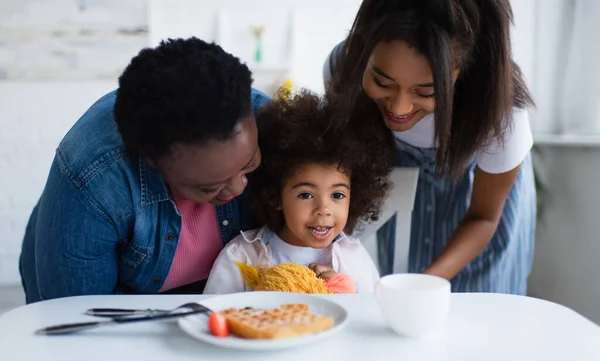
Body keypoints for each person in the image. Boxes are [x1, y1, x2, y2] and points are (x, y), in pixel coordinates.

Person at [19, 37, 270, 303]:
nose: (237, 187)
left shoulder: (270, 122)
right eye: (210, 186)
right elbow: (78, 316)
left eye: (249, 164)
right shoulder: (94, 178)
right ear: (154, 159)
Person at [323, 0, 536, 294]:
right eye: (382, 82)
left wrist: (424, 283)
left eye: (427, 91)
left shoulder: (498, 109)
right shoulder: (343, 69)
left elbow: (484, 217)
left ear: (463, 69)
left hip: (479, 219)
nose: (399, 108)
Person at [204, 91, 395, 294]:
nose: (323, 209)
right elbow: (212, 314)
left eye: (337, 195)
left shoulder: (353, 257)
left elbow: (371, 318)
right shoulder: (242, 255)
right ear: (276, 196)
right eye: (306, 195)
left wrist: (343, 296)